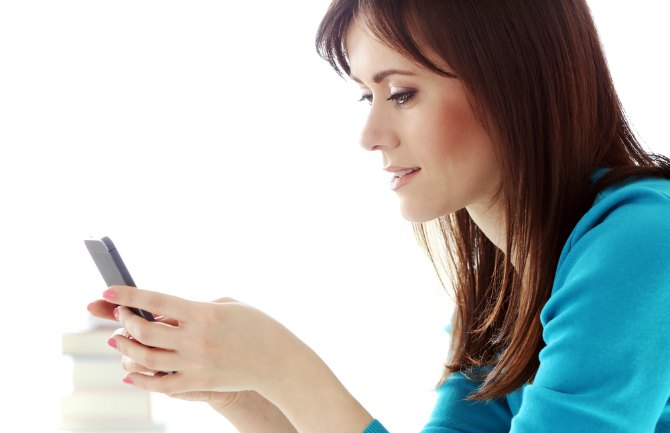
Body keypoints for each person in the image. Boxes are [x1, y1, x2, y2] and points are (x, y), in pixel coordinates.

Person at [87, 1, 670, 432]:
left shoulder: (642, 241)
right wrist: (244, 390)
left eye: (402, 93)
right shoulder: (500, 292)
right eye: (368, 95)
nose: (370, 135)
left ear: (514, 84)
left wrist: (286, 369)